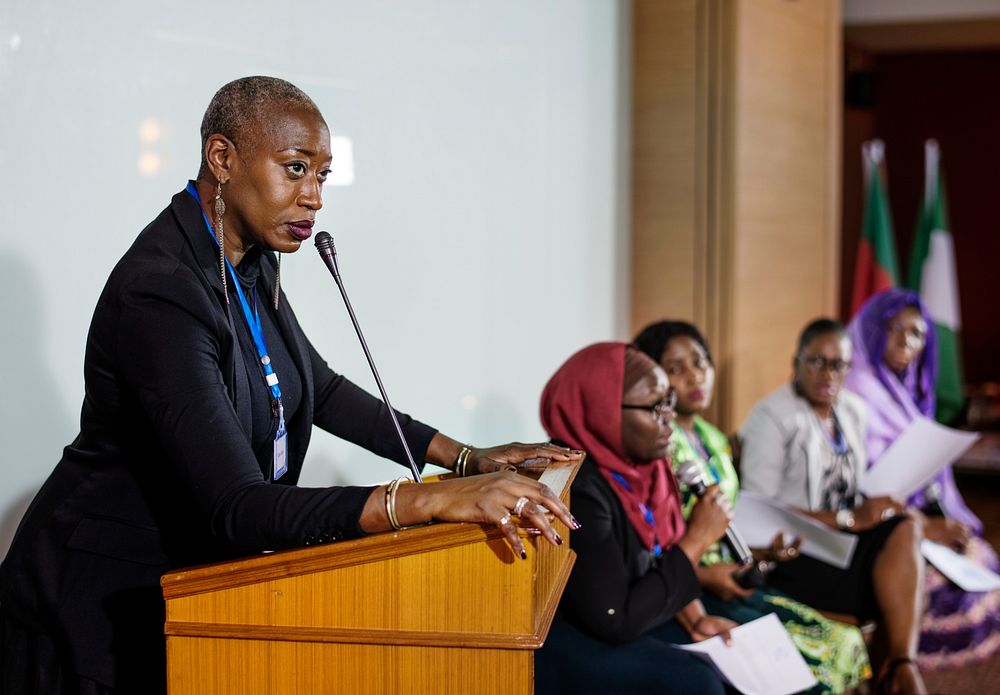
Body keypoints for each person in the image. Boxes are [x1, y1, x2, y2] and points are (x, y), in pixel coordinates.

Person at [0, 76, 583, 695]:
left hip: (181, 586)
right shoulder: (163, 290)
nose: (314, 198)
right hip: (92, 604)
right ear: (222, 159)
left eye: (322, 176)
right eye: (296, 169)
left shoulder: (249, 257)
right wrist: (429, 501)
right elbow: (238, 506)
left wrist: (464, 458)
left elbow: (318, 388)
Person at [634, 319, 871, 693]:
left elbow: (730, 518)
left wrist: (764, 549)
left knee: (845, 641)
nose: (694, 377)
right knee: (806, 661)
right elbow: (648, 537)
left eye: (700, 362)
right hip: (687, 582)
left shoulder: (713, 438)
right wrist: (703, 574)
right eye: (675, 369)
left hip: (734, 572)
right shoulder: (656, 445)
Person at [534, 342, 736, 695]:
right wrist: (698, 539)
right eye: (655, 407)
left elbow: (655, 558)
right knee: (698, 682)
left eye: (668, 402)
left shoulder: (645, 469)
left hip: (632, 616)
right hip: (571, 638)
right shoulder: (574, 485)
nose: (669, 416)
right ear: (602, 410)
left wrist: (696, 617)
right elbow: (613, 617)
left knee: (731, 659)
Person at [740, 318, 928, 695]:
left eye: (838, 364)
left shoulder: (853, 411)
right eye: (816, 362)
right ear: (796, 364)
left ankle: (902, 666)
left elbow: (854, 488)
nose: (828, 373)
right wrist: (847, 519)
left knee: (906, 525)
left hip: (841, 541)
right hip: (793, 552)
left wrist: (877, 508)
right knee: (894, 583)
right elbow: (756, 512)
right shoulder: (772, 417)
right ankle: (895, 675)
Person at [845, 288, 1000, 669]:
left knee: (978, 557)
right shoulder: (855, 392)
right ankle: (899, 662)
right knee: (943, 590)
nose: (904, 341)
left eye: (915, 334)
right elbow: (849, 491)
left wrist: (939, 522)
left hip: (909, 515)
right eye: (893, 327)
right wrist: (924, 528)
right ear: (870, 328)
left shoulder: (905, 389)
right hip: (864, 523)